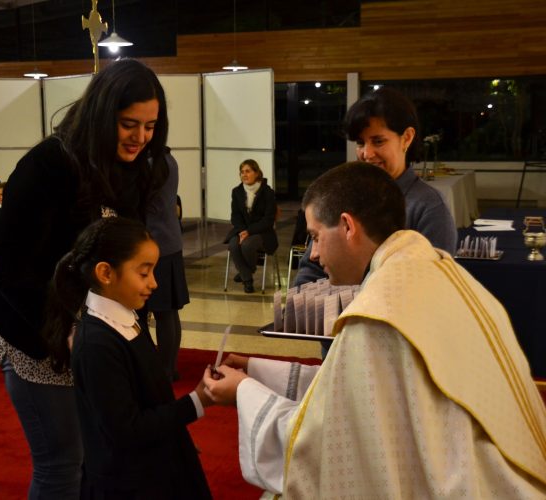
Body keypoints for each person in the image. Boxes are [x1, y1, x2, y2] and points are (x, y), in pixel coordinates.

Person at [203, 162, 546, 498]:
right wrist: (259, 371)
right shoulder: (437, 271)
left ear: (348, 226)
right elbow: (356, 389)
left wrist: (244, 393)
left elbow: (322, 442)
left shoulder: (377, 315)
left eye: (315, 237)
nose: (315, 254)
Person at [0, 58, 170, 499]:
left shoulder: (132, 168)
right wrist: (67, 335)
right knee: (62, 463)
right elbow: (9, 270)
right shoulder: (46, 165)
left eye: (151, 126)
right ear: (101, 115)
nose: (140, 138)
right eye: (128, 124)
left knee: (93, 460)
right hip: (38, 330)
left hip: (95, 330)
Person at [42, 217, 212, 498]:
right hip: (128, 483)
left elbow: (150, 392)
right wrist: (197, 401)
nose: (154, 283)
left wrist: (175, 437)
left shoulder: (127, 317)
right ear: (106, 273)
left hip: (155, 462)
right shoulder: (97, 344)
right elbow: (126, 429)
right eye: (144, 273)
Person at [294, 86, 457, 287]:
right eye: (361, 143)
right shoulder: (342, 193)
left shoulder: (429, 208)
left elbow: (435, 286)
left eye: (378, 141)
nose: (367, 154)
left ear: (406, 138)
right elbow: (311, 269)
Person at [145, 148, 190, 381]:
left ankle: (165, 370)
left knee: (163, 312)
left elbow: (148, 204)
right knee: (169, 312)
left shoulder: (151, 163)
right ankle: (169, 367)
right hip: (170, 241)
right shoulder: (168, 158)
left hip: (156, 243)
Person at [223, 159, 278, 293]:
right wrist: (242, 231)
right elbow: (235, 216)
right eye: (242, 172)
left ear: (256, 173)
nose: (244, 175)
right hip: (242, 231)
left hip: (262, 232)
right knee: (234, 245)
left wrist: (249, 231)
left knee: (247, 245)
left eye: (248, 171)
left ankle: (245, 274)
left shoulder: (268, 192)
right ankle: (247, 278)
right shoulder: (237, 192)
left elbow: (268, 220)